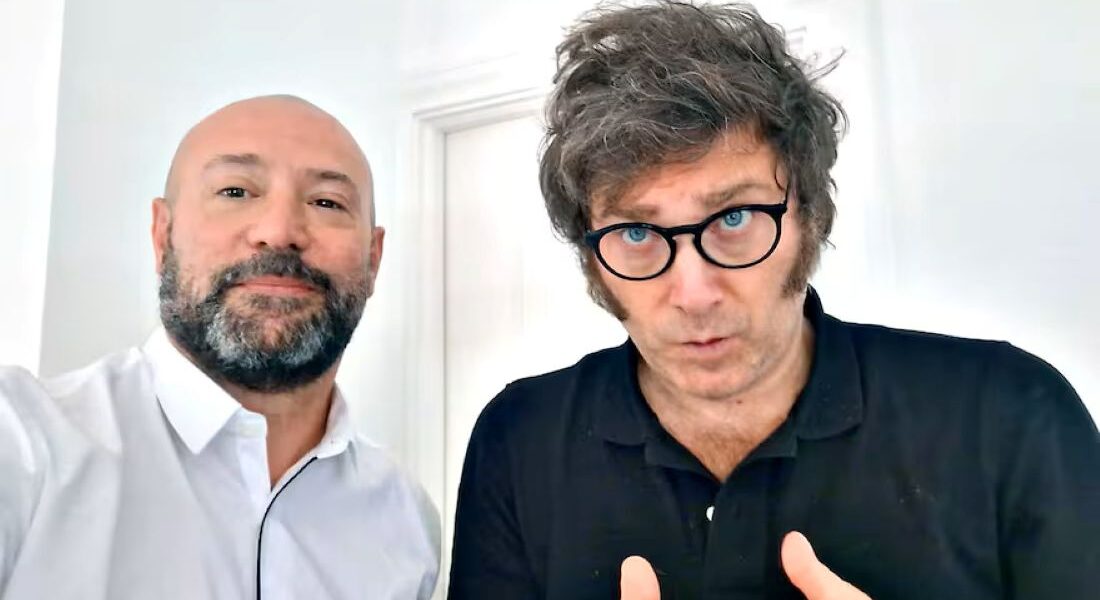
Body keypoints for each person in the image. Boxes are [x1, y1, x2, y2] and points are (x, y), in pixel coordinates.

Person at [447, 2, 1100, 599]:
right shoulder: (519, 441)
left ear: (810, 218)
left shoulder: (1011, 413)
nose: (694, 293)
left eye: (734, 219)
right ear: (592, 258)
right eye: (637, 233)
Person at [0, 95, 439, 599]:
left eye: (326, 202)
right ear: (162, 235)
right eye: (235, 191)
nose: (279, 233)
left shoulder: (407, 522)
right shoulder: (22, 445)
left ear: (374, 258)